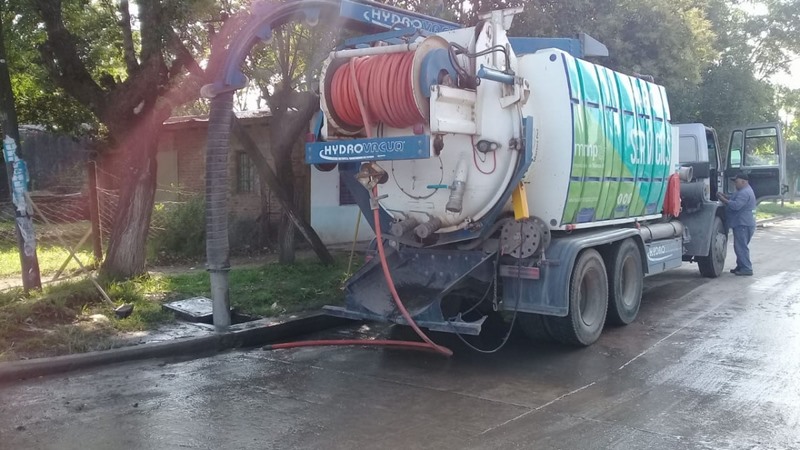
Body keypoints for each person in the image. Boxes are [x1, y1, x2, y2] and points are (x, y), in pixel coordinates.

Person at [717, 172, 756, 276]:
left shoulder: (744, 193)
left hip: (743, 224)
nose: (735, 184)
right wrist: (726, 196)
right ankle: (741, 266)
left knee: (741, 247)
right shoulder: (743, 191)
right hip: (743, 223)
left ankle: (746, 268)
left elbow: (736, 205)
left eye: (737, 182)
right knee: (740, 246)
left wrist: (724, 200)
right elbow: (735, 198)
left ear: (743, 182)